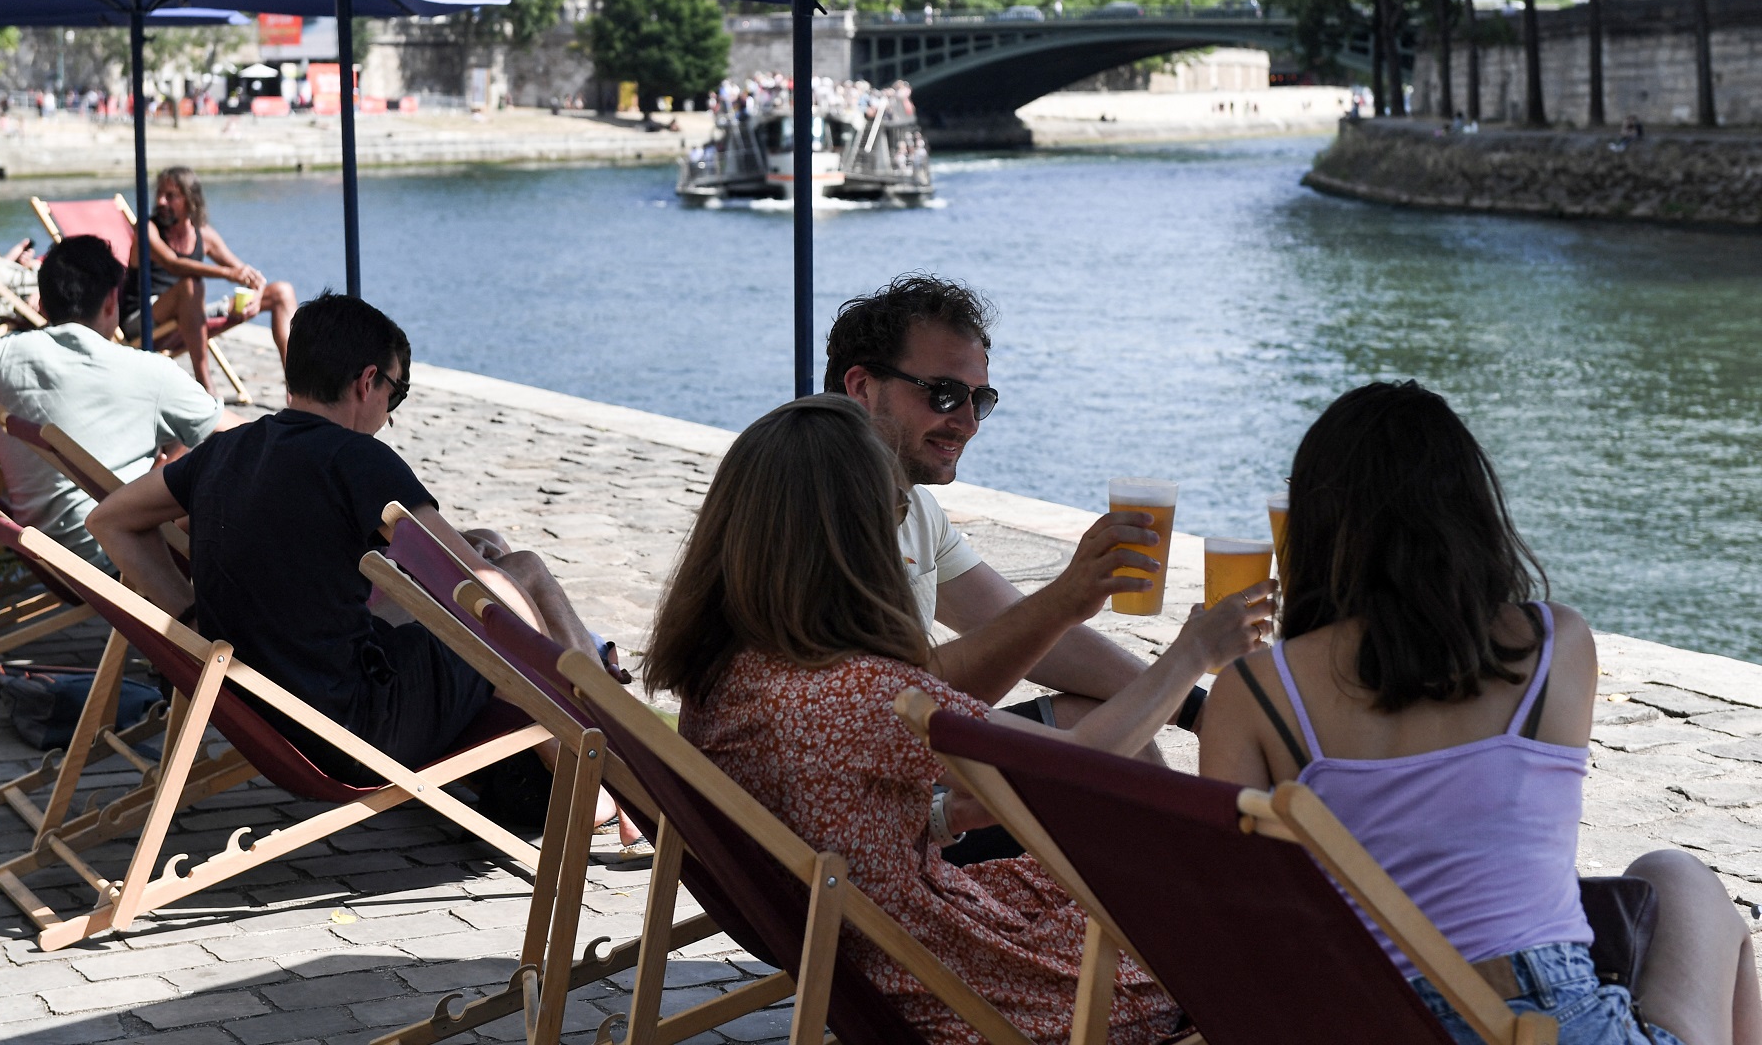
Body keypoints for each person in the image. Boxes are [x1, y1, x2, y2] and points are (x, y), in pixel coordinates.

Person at [647, 395, 1268, 1045]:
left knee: (1148, 883)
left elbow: (821, 805)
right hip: (964, 984)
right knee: (1225, 935)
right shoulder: (860, 692)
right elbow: (1079, 763)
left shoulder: (728, 668)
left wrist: (940, 817)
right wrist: (1194, 650)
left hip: (888, 938)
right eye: (892, 516)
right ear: (862, 539)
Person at [1200, 381, 1762, 1045]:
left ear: (1318, 524)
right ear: (1471, 514)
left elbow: (1235, 913)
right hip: (1552, 1020)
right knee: (1678, 875)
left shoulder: (1256, 691)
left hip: (1368, 1017)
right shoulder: (1558, 647)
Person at [87, 292, 607, 793]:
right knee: (522, 576)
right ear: (366, 382)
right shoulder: (357, 459)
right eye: (394, 395)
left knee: (503, 563)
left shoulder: (226, 450)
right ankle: (600, 777)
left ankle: (595, 743)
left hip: (268, 709)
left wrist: (189, 619)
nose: (391, 415)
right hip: (356, 730)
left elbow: (109, 521)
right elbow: (479, 581)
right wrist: (546, 664)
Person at [826, 276, 1205, 861]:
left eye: (980, 401)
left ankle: (1169, 909)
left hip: (881, 779)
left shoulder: (915, 509)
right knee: (1117, 782)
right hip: (865, 826)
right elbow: (904, 706)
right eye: (944, 393)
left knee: (1111, 735)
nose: (968, 422)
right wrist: (1069, 600)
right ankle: (1167, 925)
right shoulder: (822, 517)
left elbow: (1026, 632)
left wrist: (1197, 708)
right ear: (862, 386)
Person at [0, 235, 239, 567]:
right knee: (232, 468)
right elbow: (246, 437)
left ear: (41, 304)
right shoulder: (152, 372)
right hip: (126, 553)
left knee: (186, 441)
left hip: (45, 547)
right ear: (111, 302)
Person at [121, 166, 298, 394]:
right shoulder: (147, 229)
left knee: (282, 292)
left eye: (171, 196)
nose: (162, 202)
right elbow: (173, 264)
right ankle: (208, 388)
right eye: (160, 195)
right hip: (143, 318)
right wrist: (227, 274)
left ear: (190, 199)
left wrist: (258, 291)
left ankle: (295, 387)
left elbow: (246, 273)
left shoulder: (204, 234)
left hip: (191, 313)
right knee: (191, 285)